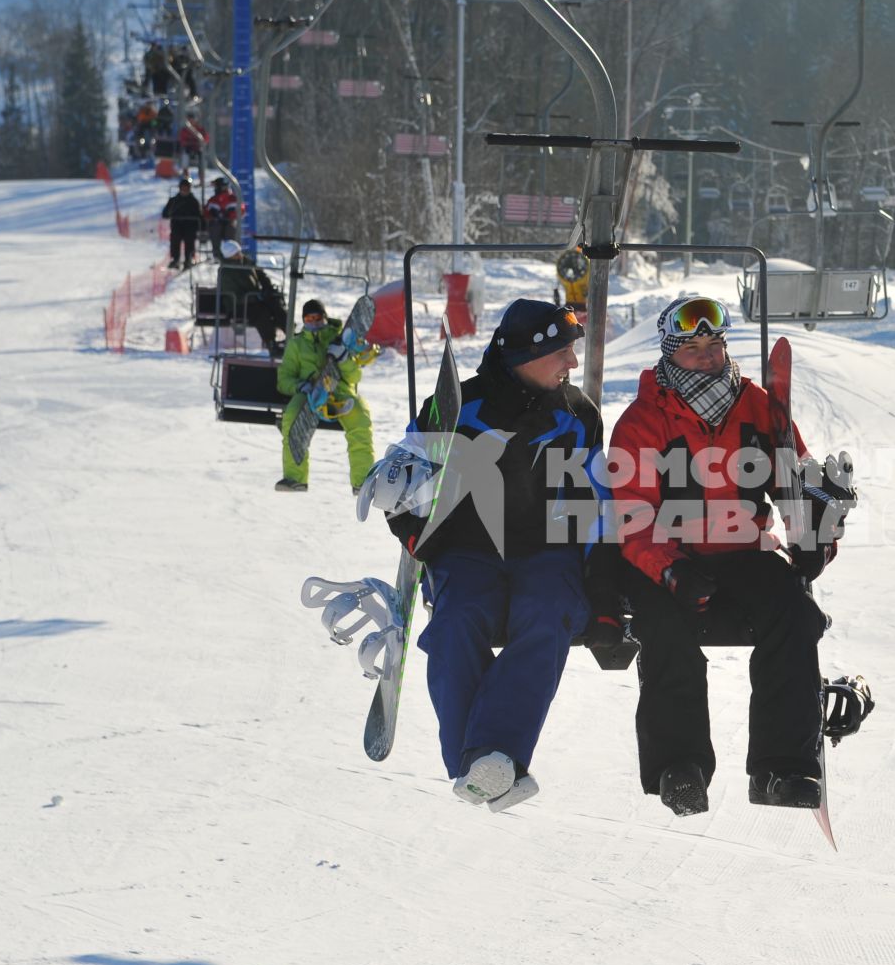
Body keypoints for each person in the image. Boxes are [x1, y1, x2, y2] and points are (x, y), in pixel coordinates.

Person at [606, 296, 852, 818]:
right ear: (672, 354)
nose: (707, 357)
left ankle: (781, 767)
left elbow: (797, 479)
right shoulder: (643, 421)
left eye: (714, 346)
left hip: (745, 550)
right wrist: (669, 570)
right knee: (665, 630)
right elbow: (631, 515)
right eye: (693, 349)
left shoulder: (758, 406)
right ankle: (681, 767)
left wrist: (816, 539)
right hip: (671, 555)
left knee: (792, 611)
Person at [360, 300, 610, 811]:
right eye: (563, 351)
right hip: (467, 550)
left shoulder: (578, 414)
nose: (572, 364)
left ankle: (485, 760)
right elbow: (403, 485)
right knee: (456, 624)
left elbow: (594, 499)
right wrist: (413, 533)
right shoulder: (457, 407)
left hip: (548, 550)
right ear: (527, 352)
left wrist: (604, 581)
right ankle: (490, 762)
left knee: (546, 615)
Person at [275, 298, 374, 495]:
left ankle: (362, 481)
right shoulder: (297, 344)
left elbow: (355, 375)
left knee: (360, 419)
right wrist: (299, 385)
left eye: (317, 317)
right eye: (309, 318)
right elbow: (284, 379)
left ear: (325, 318)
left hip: (340, 390)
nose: (313, 322)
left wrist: (344, 358)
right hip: (310, 392)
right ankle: (295, 478)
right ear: (303, 320)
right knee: (292, 417)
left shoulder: (339, 339)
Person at [216, 239, 288, 351]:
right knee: (262, 313)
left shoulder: (245, 262)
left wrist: (267, 287)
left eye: (239, 252)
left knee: (275, 303)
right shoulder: (226, 271)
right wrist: (256, 296)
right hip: (238, 305)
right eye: (236, 254)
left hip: (253, 299)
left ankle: (290, 334)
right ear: (229, 256)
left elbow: (260, 274)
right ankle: (271, 343)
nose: (240, 255)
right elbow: (234, 295)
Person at [160, 178, 203, 270]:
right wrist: (170, 214)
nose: (185, 190)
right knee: (175, 239)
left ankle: (189, 259)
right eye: (183, 188)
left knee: (189, 241)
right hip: (177, 225)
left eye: (186, 188)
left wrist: (202, 227)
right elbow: (165, 213)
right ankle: (175, 259)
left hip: (190, 226)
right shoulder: (174, 201)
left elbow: (199, 215)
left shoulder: (193, 201)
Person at [204, 177, 241, 260]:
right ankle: (217, 254)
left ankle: (231, 254)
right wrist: (211, 217)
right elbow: (206, 212)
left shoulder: (233, 199)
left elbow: (240, 210)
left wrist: (231, 217)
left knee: (230, 229)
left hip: (229, 223)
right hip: (216, 224)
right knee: (215, 228)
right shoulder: (213, 200)